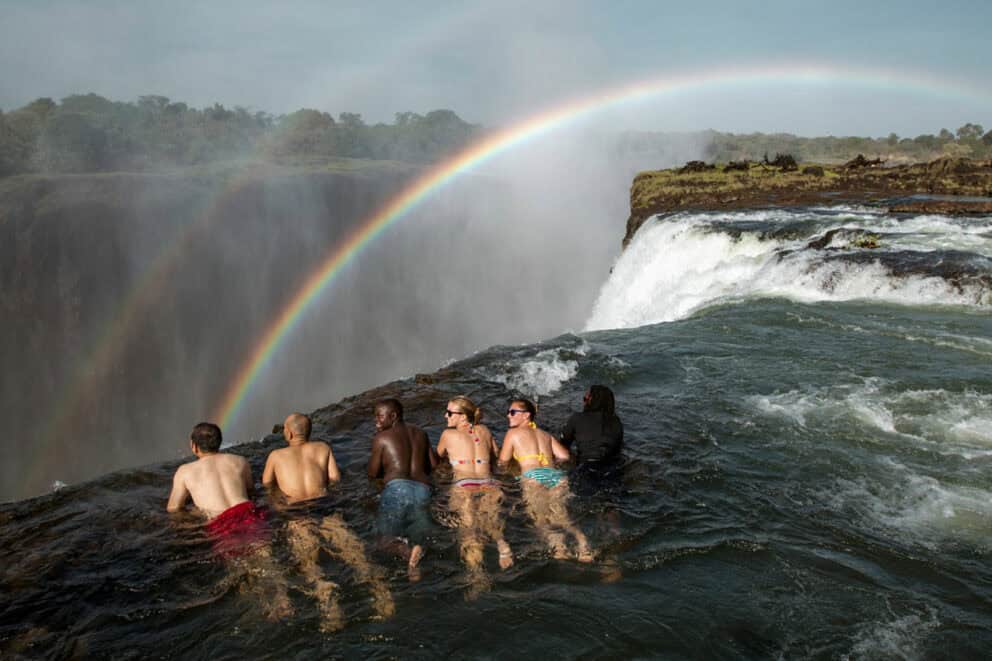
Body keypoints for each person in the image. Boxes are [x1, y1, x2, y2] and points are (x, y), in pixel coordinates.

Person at [263, 412, 393, 631]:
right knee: (355, 553)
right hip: (325, 506)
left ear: (290, 432)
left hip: (296, 513)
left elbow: (267, 485)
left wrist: (278, 505)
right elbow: (335, 479)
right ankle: (382, 593)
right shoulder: (323, 448)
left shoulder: (276, 456)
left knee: (309, 563)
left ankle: (329, 602)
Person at [167, 422, 291, 619]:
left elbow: (174, 508)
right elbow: (250, 491)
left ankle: (262, 607)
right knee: (266, 558)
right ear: (219, 442)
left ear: (194, 446)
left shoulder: (185, 471)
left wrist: (196, 514)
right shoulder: (239, 461)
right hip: (247, 511)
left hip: (220, 521)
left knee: (240, 565)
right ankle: (283, 599)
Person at [498, 398, 593, 562]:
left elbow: (503, 462)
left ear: (526, 415)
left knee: (540, 518)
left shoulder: (512, 434)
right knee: (562, 517)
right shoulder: (545, 435)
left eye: (513, 412)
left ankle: (559, 548)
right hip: (556, 477)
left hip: (533, 476)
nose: (508, 415)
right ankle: (583, 544)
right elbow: (564, 456)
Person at [436, 396, 514, 593]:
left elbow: (438, 457)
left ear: (463, 417)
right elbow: (496, 456)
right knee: (492, 522)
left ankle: (477, 575)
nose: (445, 416)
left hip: (464, 484)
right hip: (489, 483)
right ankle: (502, 546)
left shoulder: (447, 434)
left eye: (450, 413)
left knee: (469, 530)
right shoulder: (485, 430)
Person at [367, 398, 438, 580]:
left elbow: (373, 474)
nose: (376, 421)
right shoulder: (421, 433)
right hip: (423, 490)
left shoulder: (381, 438)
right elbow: (433, 465)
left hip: (397, 489)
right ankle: (415, 563)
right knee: (420, 536)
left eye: (379, 417)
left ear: (393, 416)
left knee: (383, 540)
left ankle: (407, 553)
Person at [560, 385, 624, 496]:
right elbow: (617, 450)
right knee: (609, 501)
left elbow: (563, 444)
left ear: (591, 401)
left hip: (586, 468)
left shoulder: (577, 418)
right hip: (611, 467)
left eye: (585, 399)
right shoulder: (616, 421)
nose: (583, 402)